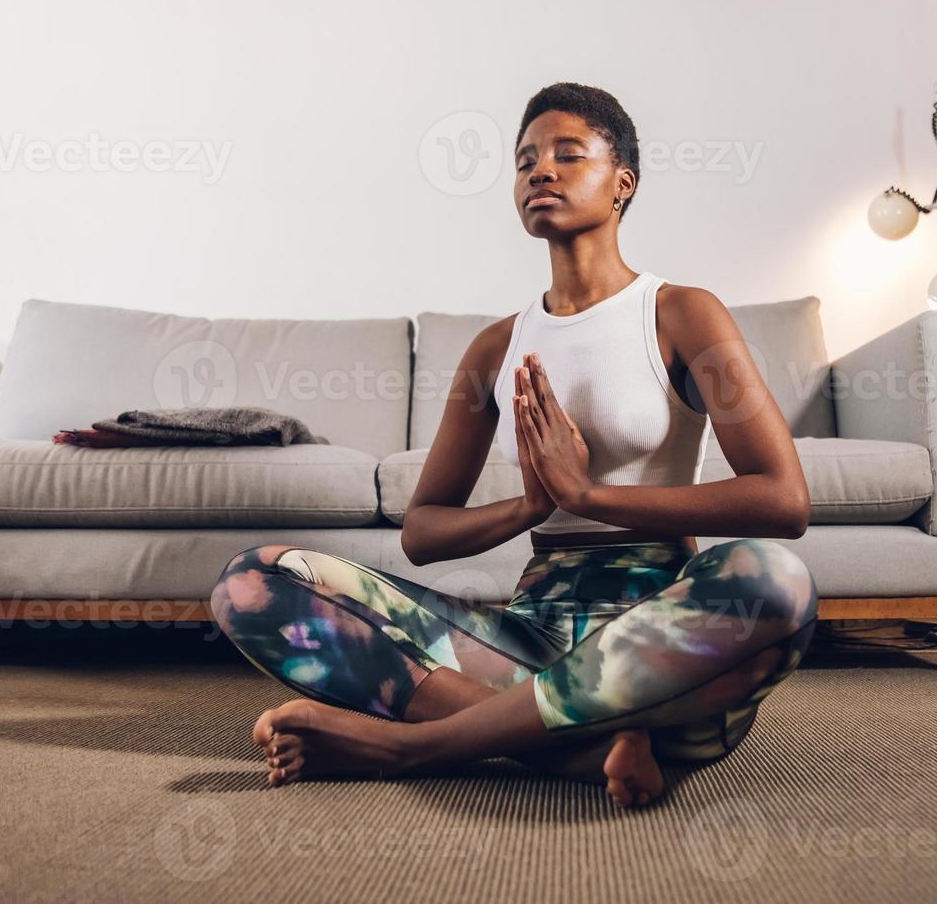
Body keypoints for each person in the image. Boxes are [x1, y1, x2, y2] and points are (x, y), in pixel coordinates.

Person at [211, 82, 816, 808]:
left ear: (623, 182)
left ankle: (414, 745)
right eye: (525, 160)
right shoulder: (495, 347)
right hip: (522, 639)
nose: (540, 172)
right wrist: (533, 505)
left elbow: (783, 499)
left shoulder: (682, 313)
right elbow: (424, 531)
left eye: (568, 154)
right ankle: (581, 750)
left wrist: (590, 497)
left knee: (775, 582)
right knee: (252, 583)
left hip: (659, 644)